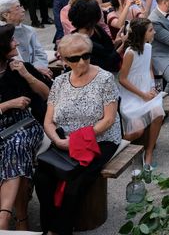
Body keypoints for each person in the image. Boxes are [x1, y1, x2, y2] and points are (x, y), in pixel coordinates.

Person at [34, 33, 121, 235]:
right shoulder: (60, 82)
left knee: (75, 183)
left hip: (99, 139)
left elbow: (108, 120)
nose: (82, 61)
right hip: (64, 139)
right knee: (42, 177)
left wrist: (75, 140)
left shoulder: (105, 79)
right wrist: (57, 139)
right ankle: (49, 227)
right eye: (74, 58)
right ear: (63, 60)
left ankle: (59, 231)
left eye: (86, 55)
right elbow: (48, 120)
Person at [0, 25, 49, 230]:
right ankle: (21, 220)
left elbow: (47, 94)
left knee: (17, 145)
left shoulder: (20, 66)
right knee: (15, 154)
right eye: (11, 40)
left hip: (25, 125)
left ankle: (3, 220)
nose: (16, 43)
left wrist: (27, 75)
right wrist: (7, 104)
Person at [117, 18, 164, 168]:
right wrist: (142, 95)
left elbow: (149, 69)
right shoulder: (130, 53)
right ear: (141, 34)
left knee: (159, 112)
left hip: (146, 89)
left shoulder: (149, 47)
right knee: (137, 130)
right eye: (150, 30)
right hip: (131, 94)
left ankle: (149, 151)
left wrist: (152, 88)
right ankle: (118, 145)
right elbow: (122, 79)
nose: (154, 32)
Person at [69, 0, 125, 74]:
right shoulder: (81, 42)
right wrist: (124, 44)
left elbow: (108, 50)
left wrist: (117, 42)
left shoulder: (96, 29)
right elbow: (108, 62)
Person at [0, 0, 52, 78]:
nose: (23, 10)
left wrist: (38, 69)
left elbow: (40, 54)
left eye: (22, 6)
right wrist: (33, 70)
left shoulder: (29, 30)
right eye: (18, 7)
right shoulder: (2, 34)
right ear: (6, 15)